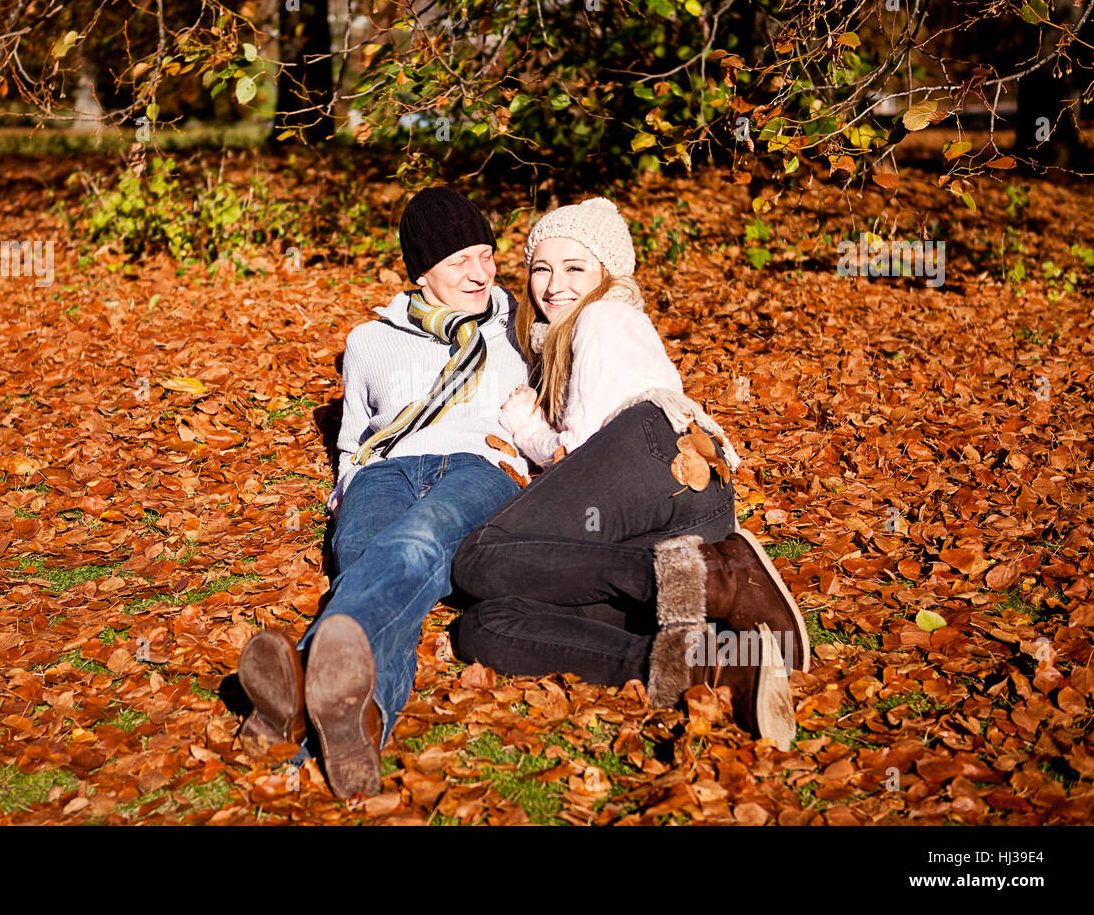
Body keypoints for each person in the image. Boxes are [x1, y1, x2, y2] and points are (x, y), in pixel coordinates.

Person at [450, 197, 810, 750]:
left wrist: (525, 426)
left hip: (658, 454)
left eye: (575, 268)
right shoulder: (562, 341)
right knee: (487, 622)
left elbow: (577, 449)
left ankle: (724, 578)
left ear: (607, 274)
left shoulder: (604, 317)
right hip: (671, 512)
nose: (553, 286)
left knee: (481, 557)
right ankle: (711, 664)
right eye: (541, 269)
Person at [235, 186, 534, 798]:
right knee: (365, 561)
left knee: (416, 544)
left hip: (482, 465)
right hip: (386, 469)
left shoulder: (521, 326)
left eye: (487, 255)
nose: (480, 274)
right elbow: (352, 440)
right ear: (422, 274)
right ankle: (361, 724)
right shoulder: (370, 340)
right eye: (459, 262)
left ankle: (297, 685)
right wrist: (348, 487)